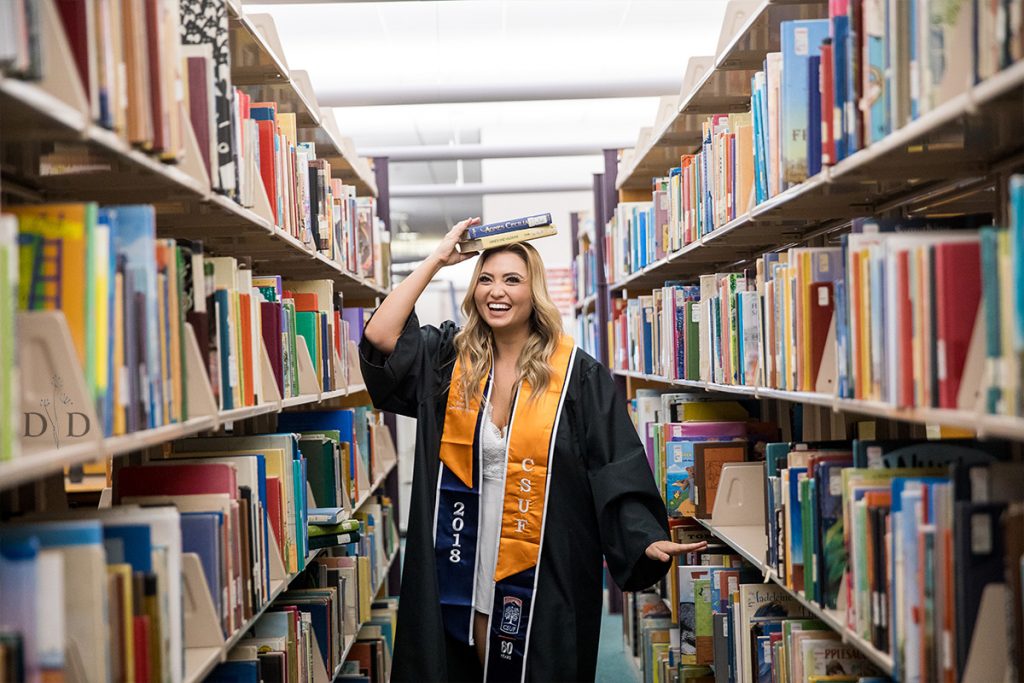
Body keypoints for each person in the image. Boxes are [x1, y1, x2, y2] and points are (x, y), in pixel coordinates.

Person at [360, 217, 708, 682]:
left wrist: (643, 537)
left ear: (534, 292)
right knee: (466, 656)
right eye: (485, 279)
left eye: (511, 280)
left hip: (543, 556)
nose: (496, 292)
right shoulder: (449, 358)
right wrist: (439, 258)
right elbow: (381, 336)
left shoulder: (575, 377)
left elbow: (613, 460)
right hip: (463, 546)